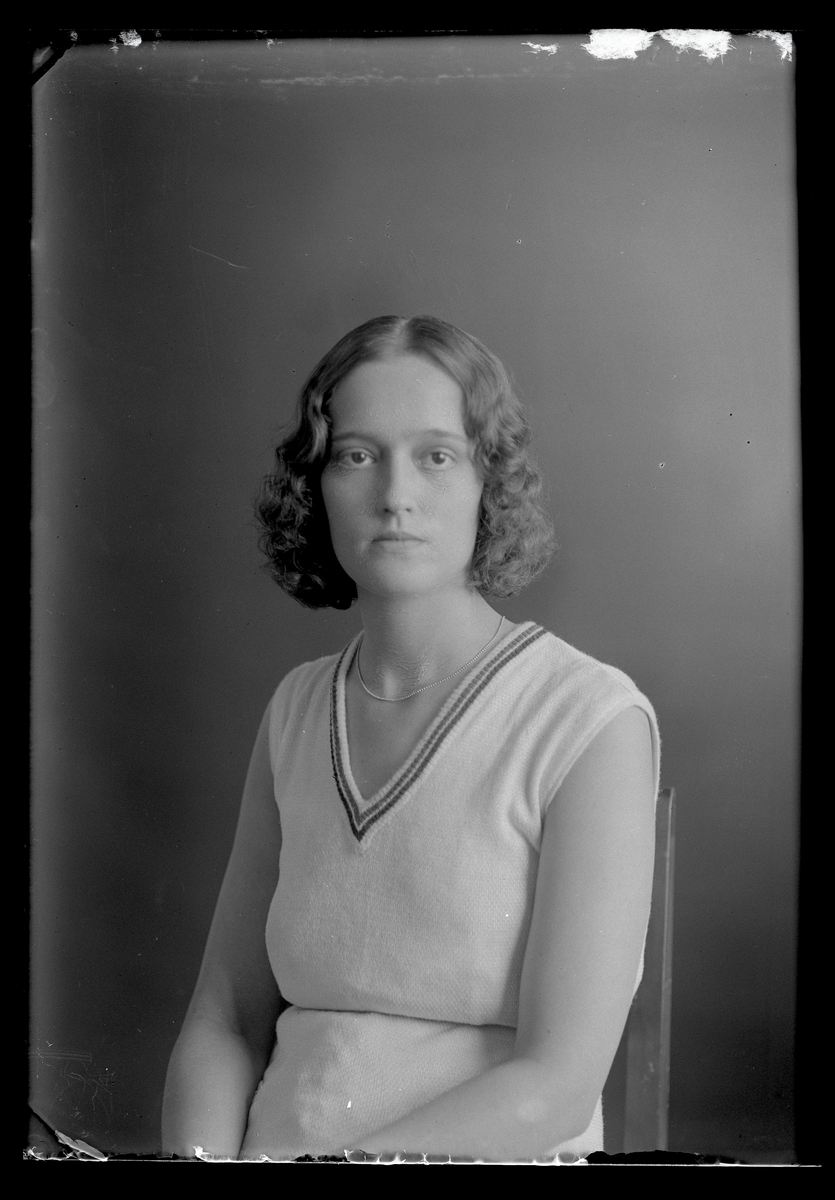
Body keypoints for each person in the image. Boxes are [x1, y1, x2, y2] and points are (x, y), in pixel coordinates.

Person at [161, 315, 660, 1162]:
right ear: (316, 485)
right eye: (357, 455)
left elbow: (555, 1086)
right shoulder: (296, 708)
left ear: (487, 482)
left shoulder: (588, 718)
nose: (395, 495)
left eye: (436, 456)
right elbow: (226, 1019)